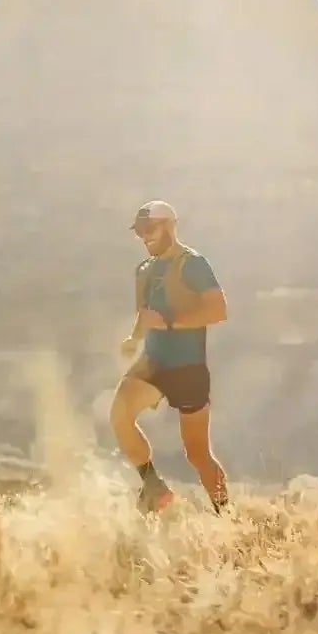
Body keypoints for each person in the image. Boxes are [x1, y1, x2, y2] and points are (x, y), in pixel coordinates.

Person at [110, 200, 232, 513]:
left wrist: (168, 323)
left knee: (197, 455)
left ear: (169, 225)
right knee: (119, 415)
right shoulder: (144, 269)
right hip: (153, 362)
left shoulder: (192, 263)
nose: (144, 237)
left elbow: (218, 310)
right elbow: (145, 313)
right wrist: (134, 337)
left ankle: (226, 514)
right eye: (139, 232)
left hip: (188, 368)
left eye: (149, 229)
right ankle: (154, 487)